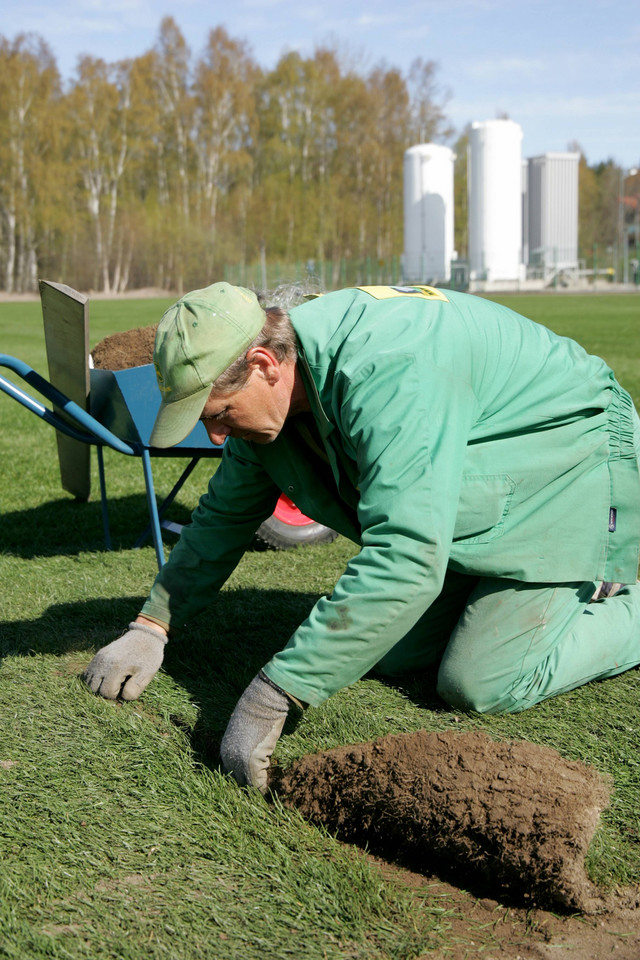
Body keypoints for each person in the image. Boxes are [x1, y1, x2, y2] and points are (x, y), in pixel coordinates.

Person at [83, 281, 640, 792]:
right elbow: (223, 518)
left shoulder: (389, 369)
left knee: (477, 682)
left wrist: (274, 696)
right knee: (389, 653)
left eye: (222, 413)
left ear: (263, 363)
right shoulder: (282, 383)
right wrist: (152, 625)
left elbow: (406, 555)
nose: (216, 433)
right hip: (487, 476)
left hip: (571, 462)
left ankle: (619, 596)